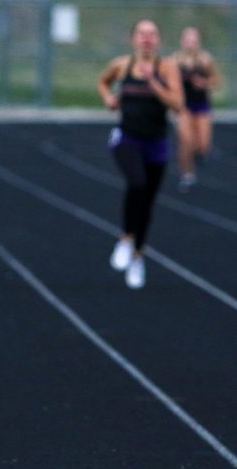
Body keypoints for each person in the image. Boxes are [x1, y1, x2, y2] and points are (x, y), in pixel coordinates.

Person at [97, 19, 183, 290]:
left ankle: (137, 257)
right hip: (127, 138)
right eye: (142, 34)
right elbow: (103, 82)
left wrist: (153, 83)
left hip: (156, 143)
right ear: (133, 39)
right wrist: (108, 98)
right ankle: (125, 239)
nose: (147, 39)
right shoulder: (122, 65)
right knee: (136, 183)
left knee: (146, 202)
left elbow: (178, 105)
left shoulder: (167, 68)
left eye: (152, 34)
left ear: (159, 40)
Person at [172, 26, 220, 192]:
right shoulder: (175, 60)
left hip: (201, 105)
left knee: (203, 145)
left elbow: (216, 81)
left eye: (194, 40)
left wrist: (204, 83)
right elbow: (168, 83)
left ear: (199, 42)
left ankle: (199, 153)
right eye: (188, 40)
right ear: (182, 41)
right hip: (183, 106)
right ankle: (187, 174)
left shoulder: (205, 60)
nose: (191, 44)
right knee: (186, 141)